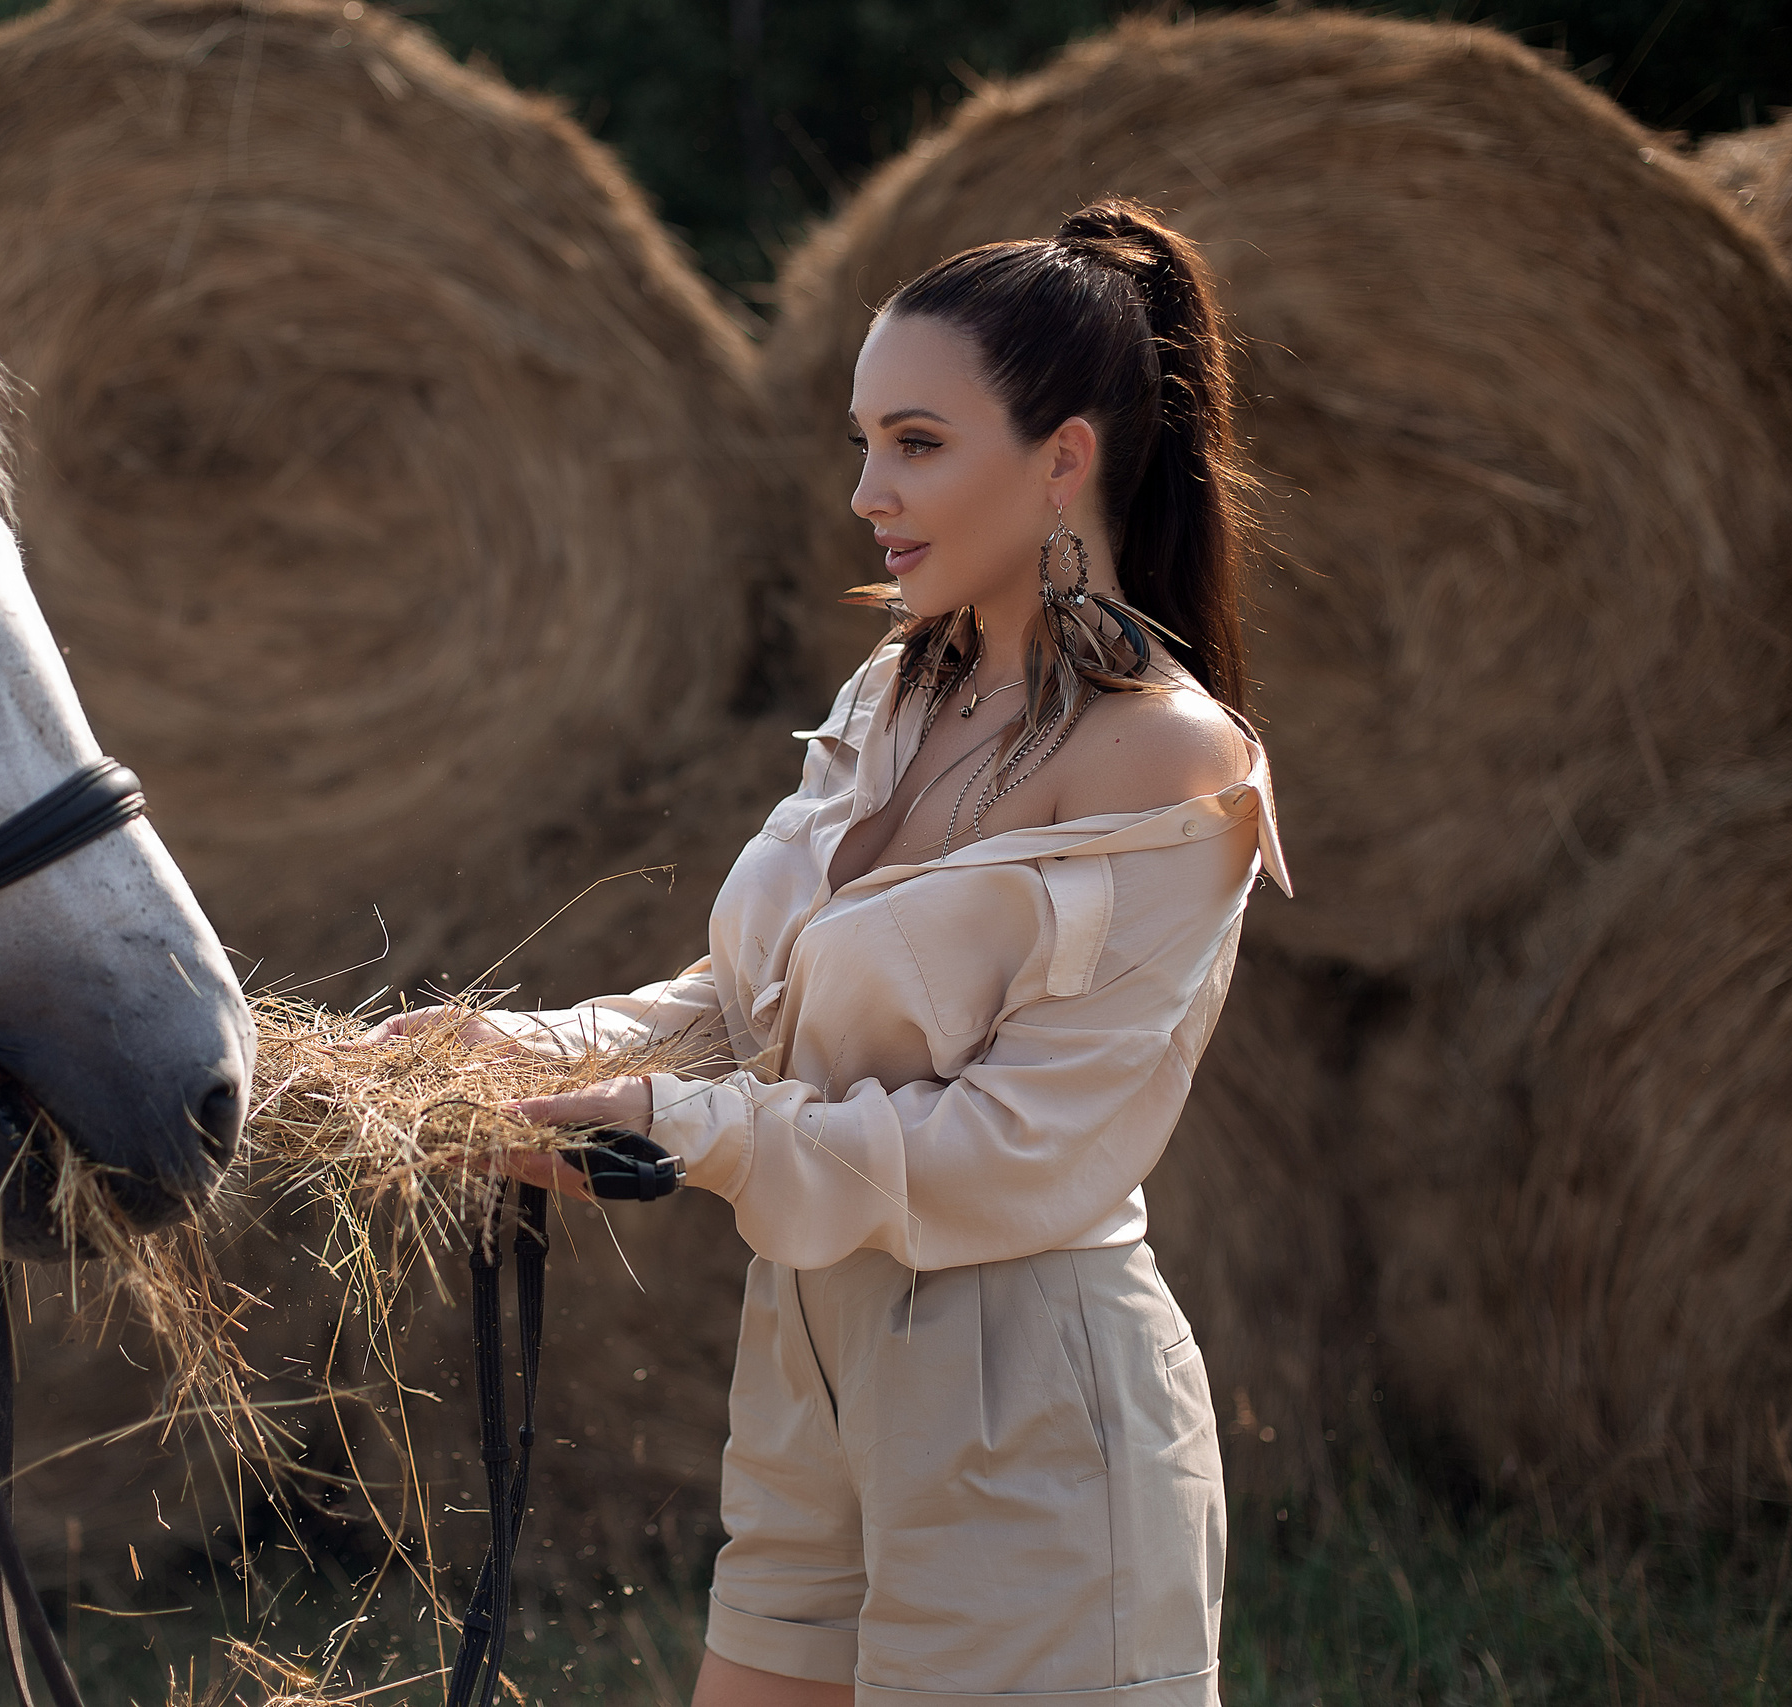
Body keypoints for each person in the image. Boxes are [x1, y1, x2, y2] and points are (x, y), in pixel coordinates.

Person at [365, 202, 1286, 1706]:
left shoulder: (1170, 761)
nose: (868, 492)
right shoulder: (896, 695)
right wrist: (516, 1061)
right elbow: (748, 1005)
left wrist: (684, 1134)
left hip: (1028, 1405)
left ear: (1065, 457)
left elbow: (1012, 1148)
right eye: (863, 443)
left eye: (917, 443)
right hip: (809, 1360)